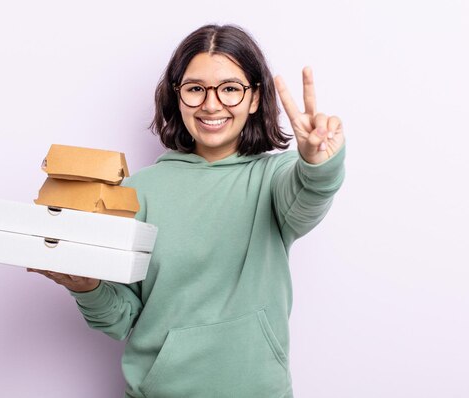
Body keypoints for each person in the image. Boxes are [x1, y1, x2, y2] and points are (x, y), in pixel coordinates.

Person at [29, 23, 345, 398]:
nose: (211, 105)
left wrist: (317, 163)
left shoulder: (276, 178)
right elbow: (119, 319)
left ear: (255, 98)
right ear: (177, 97)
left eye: (230, 89)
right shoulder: (138, 190)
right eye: (195, 89)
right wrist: (87, 287)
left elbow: (310, 195)